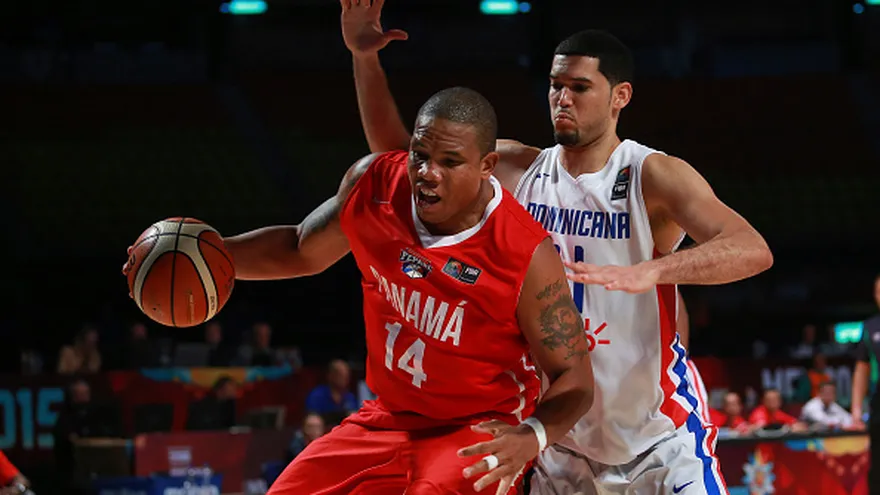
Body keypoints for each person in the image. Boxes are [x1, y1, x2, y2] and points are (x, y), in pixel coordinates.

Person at [340, 3, 774, 493]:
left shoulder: (649, 174)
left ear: (620, 97)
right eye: (555, 85)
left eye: (580, 88)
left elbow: (751, 248)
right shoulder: (517, 168)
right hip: (555, 441)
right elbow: (401, 162)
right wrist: (364, 59)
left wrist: (653, 271)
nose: (562, 99)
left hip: (657, 436)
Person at [214, 88, 593, 494]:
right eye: (420, 156)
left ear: (487, 166)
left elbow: (575, 376)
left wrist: (531, 437)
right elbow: (299, 249)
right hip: (389, 416)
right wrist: (207, 254)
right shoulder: (375, 186)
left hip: (478, 429)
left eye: (450, 162)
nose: (429, 172)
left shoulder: (523, 252)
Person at [851, 274, 880, 491]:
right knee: (877, 463)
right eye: (879, 292)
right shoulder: (870, 327)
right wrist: (856, 411)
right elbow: (861, 370)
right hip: (879, 403)